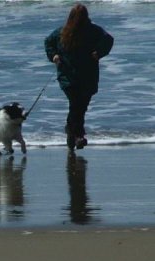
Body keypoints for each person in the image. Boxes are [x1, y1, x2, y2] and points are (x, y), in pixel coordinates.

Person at [45, 3, 114, 150]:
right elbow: (48, 42)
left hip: (87, 76)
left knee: (80, 107)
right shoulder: (62, 32)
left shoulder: (93, 31)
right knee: (77, 105)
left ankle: (71, 133)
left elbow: (108, 40)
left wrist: (99, 52)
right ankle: (78, 136)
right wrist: (54, 56)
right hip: (68, 76)